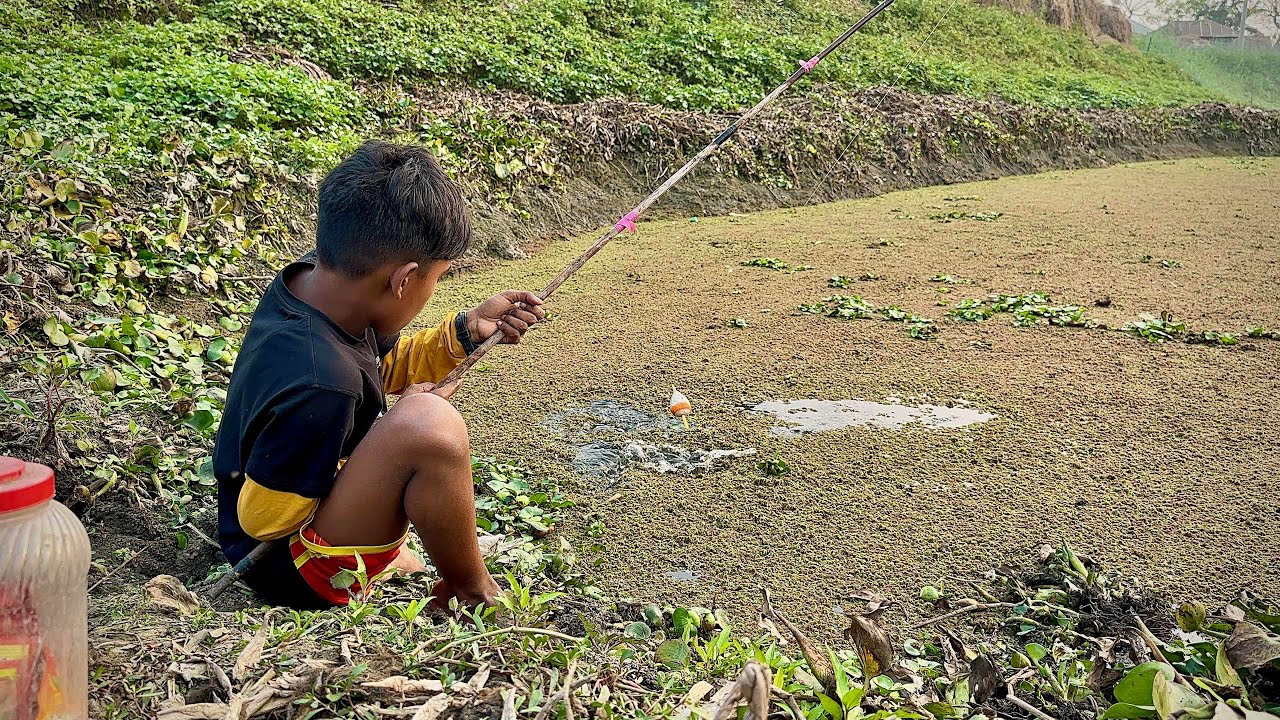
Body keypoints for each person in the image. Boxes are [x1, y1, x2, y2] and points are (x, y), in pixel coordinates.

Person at [212, 141, 544, 609]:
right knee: (429, 426)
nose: (432, 291)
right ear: (404, 279)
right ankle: (472, 590)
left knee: (415, 421)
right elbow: (263, 521)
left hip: (278, 498)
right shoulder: (322, 384)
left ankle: (389, 547)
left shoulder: (320, 287)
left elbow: (371, 365)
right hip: (285, 567)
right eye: (437, 279)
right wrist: (396, 427)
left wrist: (466, 332)